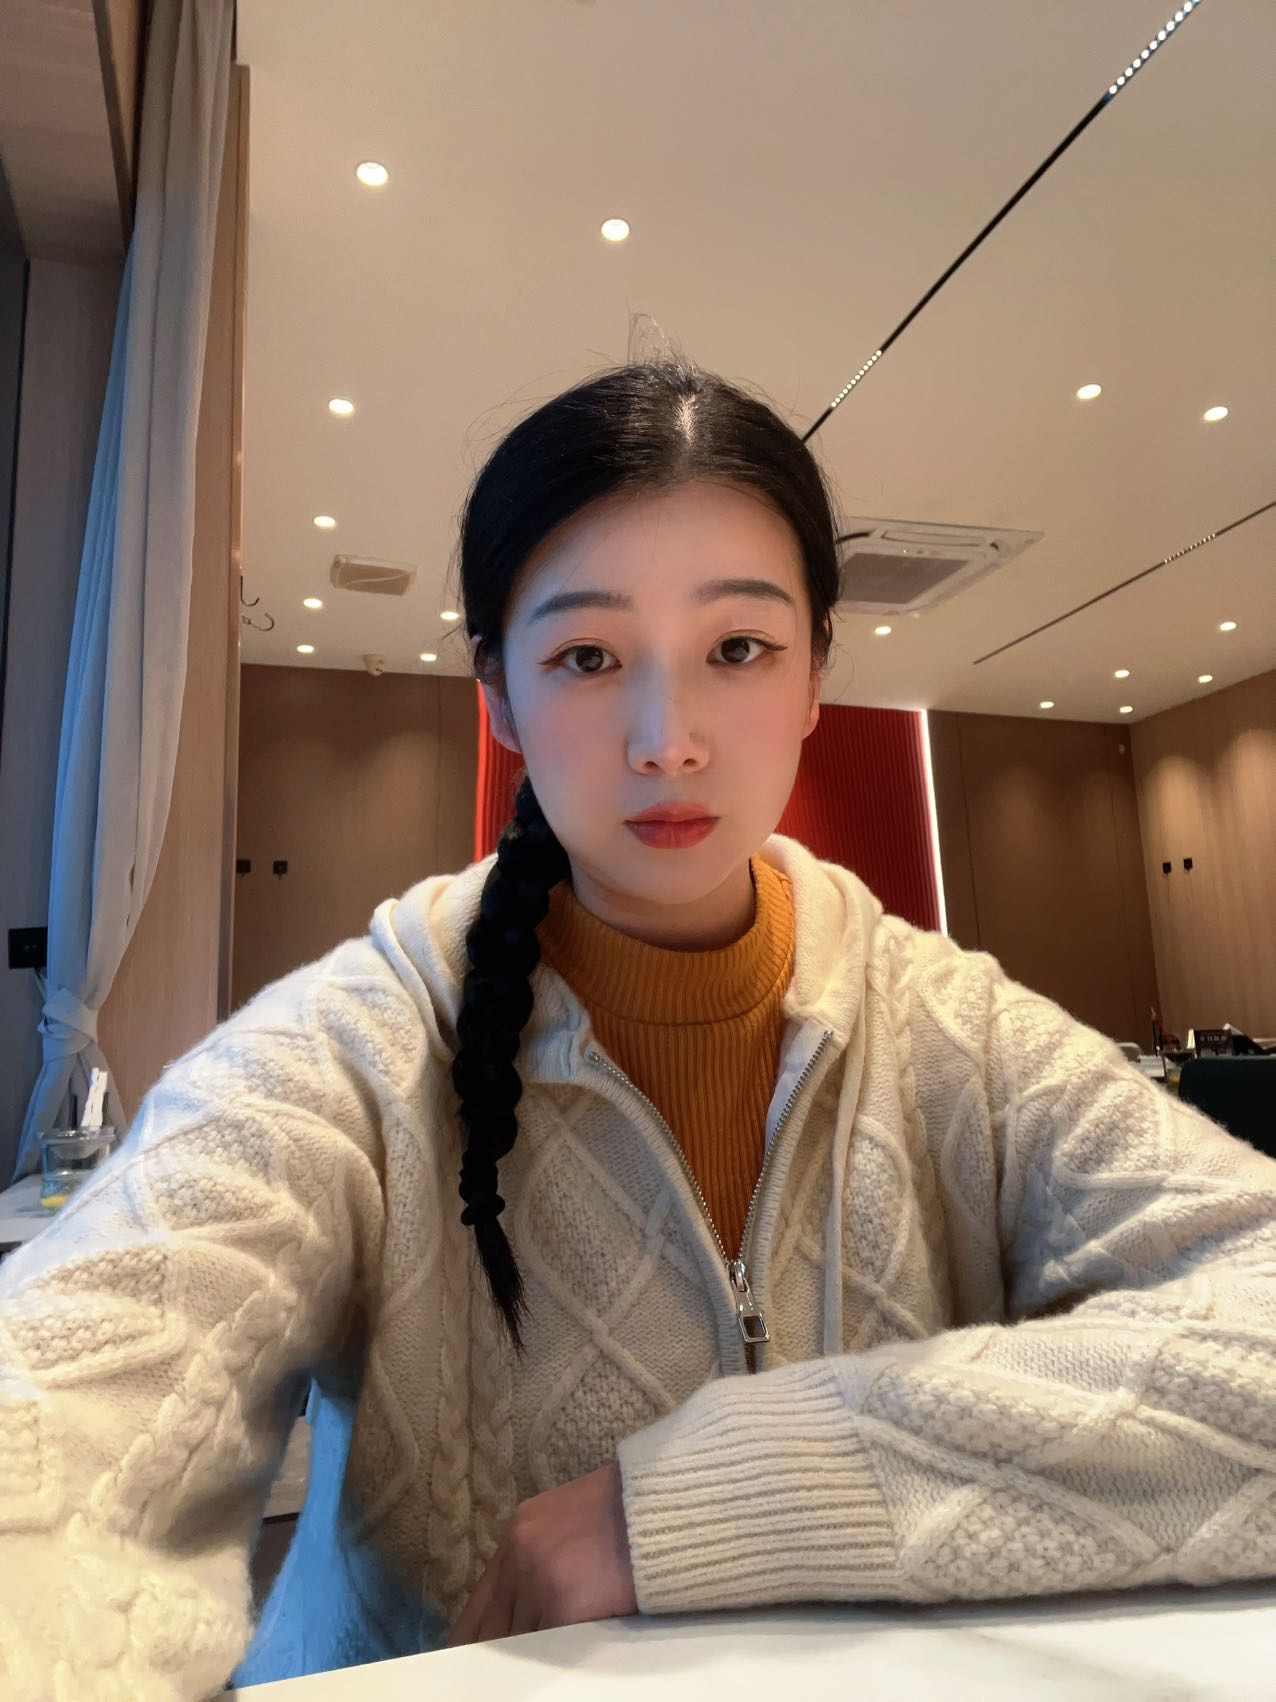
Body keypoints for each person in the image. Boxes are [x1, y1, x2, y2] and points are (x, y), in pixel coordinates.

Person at [3, 354, 1276, 1701]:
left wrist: (732, 1487)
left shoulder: (955, 1033)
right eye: (588, 657)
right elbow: (56, 1421)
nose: (670, 739)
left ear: (814, 675)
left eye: (737, 649)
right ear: (499, 693)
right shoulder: (351, 1054)